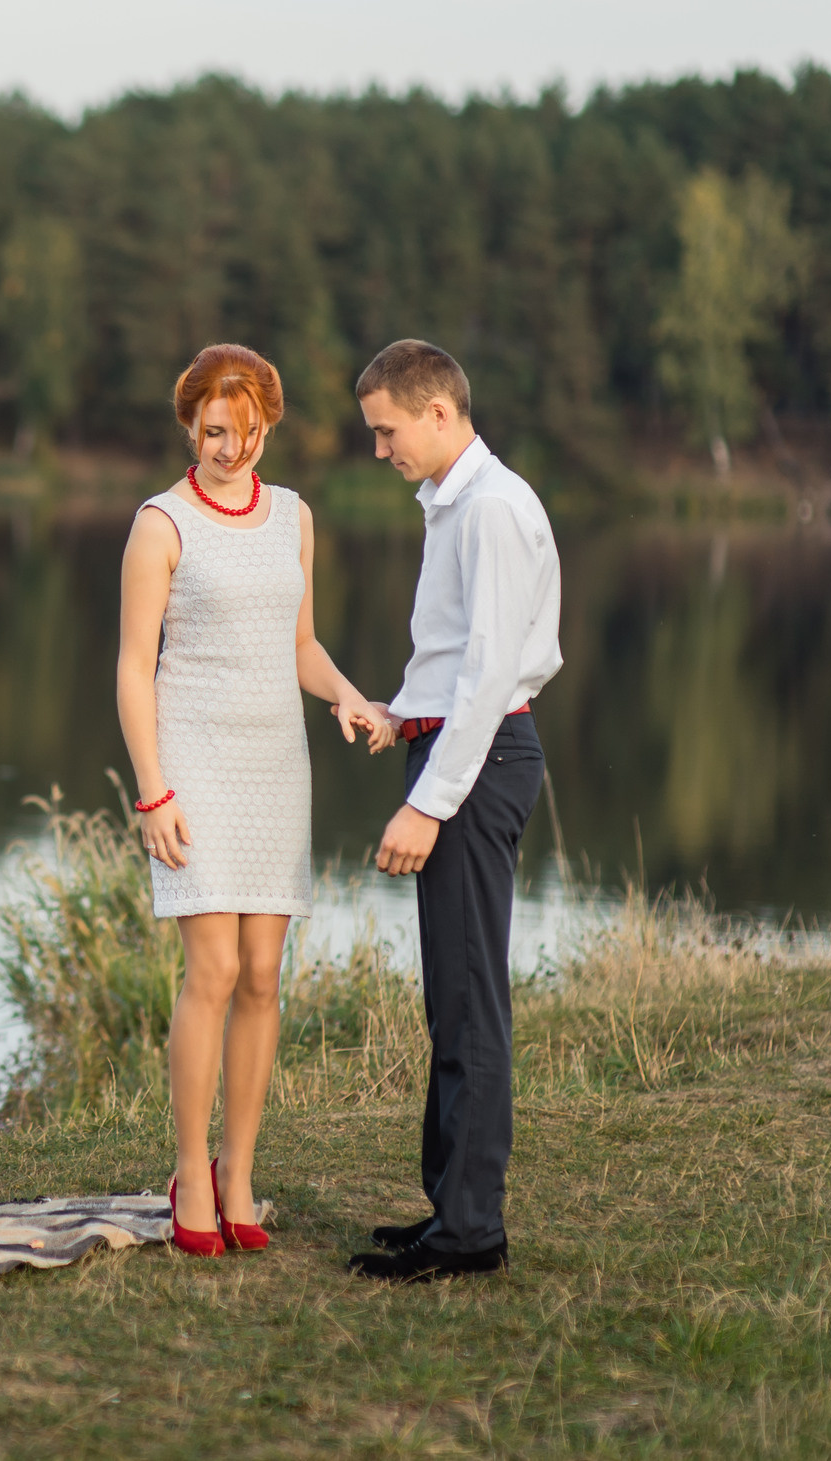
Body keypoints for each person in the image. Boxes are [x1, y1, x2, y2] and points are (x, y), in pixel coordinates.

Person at [117, 343, 393, 1259]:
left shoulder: (293, 518)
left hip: (278, 760)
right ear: (190, 426)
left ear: (268, 425)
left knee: (266, 977)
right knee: (215, 971)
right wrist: (153, 792)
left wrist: (348, 694)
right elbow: (133, 669)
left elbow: (301, 643)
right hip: (193, 758)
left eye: (244, 430)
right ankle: (190, 1171)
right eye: (212, 431)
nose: (229, 447)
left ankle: (239, 1173)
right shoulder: (160, 525)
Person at [344, 339, 563, 1284]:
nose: (380, 449)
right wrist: (404, 715)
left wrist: (430, 804)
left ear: (439, 413)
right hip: (453, 744)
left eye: (387, 430)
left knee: (471, 1002)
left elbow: (489, 676)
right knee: (452, 997)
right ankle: (451, 1208)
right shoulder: (455, 506)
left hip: (478, 762)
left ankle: (472, 1232)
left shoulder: (496, 509)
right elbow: (452, 657)